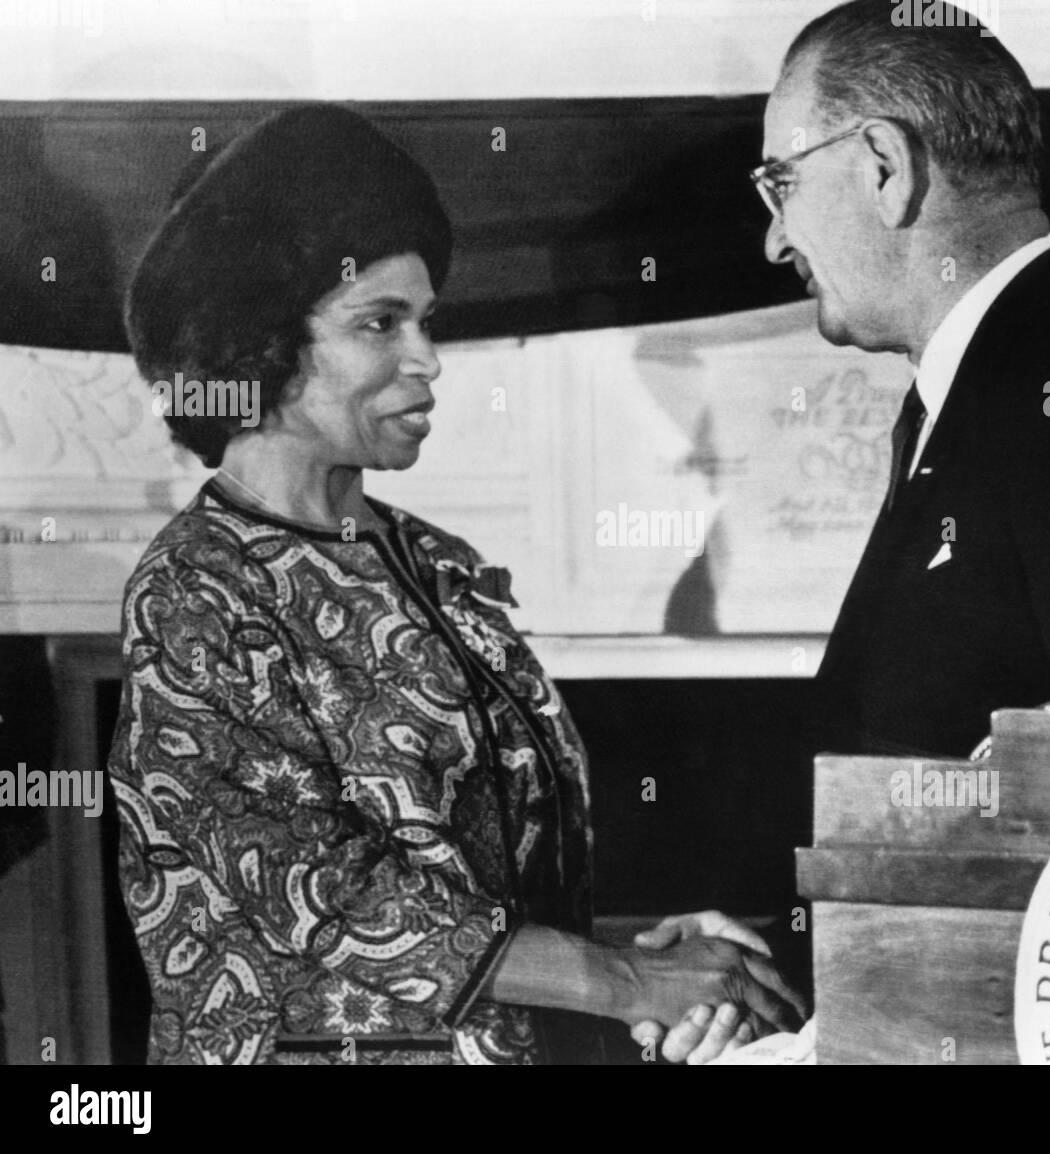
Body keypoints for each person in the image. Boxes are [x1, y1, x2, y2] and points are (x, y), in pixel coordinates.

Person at [106, 104, 804, 1065]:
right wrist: (625, 983)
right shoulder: (194, 589)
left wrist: (653, 958)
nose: (427, 358)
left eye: (425, 321)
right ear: (258, 339)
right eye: (378, 323)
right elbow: (320, 889)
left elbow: (481, 890)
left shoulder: (434, 563)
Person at [666, 0, 1050, 1061]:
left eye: (780, 184)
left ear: (881, 167)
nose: (773, 237)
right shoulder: (995, 382)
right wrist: (779, 957)